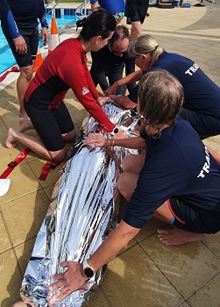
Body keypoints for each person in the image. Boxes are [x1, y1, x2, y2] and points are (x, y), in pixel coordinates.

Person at [46, 70, 220, 304]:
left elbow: (128, 230)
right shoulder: (178, 124)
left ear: (145, 109)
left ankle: (192, 231)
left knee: (126, 183)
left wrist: (85, 271)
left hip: (206, 216)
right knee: (128, 163)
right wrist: (109, 140)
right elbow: (147, 141)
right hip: (206, 188)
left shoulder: (161, 167)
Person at [5, 9, 117, 163]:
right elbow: (88, 103)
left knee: (71, 136)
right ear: (98, 39)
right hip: (38, 104)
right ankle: (15, 134)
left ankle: (31, 123)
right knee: (58, 155)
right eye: (107, 40)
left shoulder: (76, 45)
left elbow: (86, 75)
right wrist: (113, 129)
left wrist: (99, 97)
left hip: (54, 102)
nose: (107, 44)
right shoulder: (71, 61)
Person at [106, 34, 220, 139]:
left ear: (143, 57)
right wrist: (118, 83)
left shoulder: (158, 71)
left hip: (211, 118)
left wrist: (112, 97)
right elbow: (141, 73)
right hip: (214, 106)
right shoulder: (169, 58)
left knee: (157, 112)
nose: (135, 63)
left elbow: (129, 103)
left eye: (134, 59)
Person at [0, 0, 48, 127]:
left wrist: (44, 25)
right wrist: (15, 35)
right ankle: (23, 113)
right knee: (26, 70)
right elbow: (5, 9)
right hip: (17, 28)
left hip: (32, 27)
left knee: (30, 69)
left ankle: (29, 103)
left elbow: (40, 4)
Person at [90, 25, 136, 96]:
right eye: (116, 52)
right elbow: (99, 70)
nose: (121, 55)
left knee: (119, 95)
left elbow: (130, 75)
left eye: (123, 52)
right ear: (109, 42)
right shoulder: (99, 45)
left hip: (116, 69)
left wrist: (135, 97)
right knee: (87, 92)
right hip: (98, 68)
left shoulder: (129, 50)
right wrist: (107, 90)